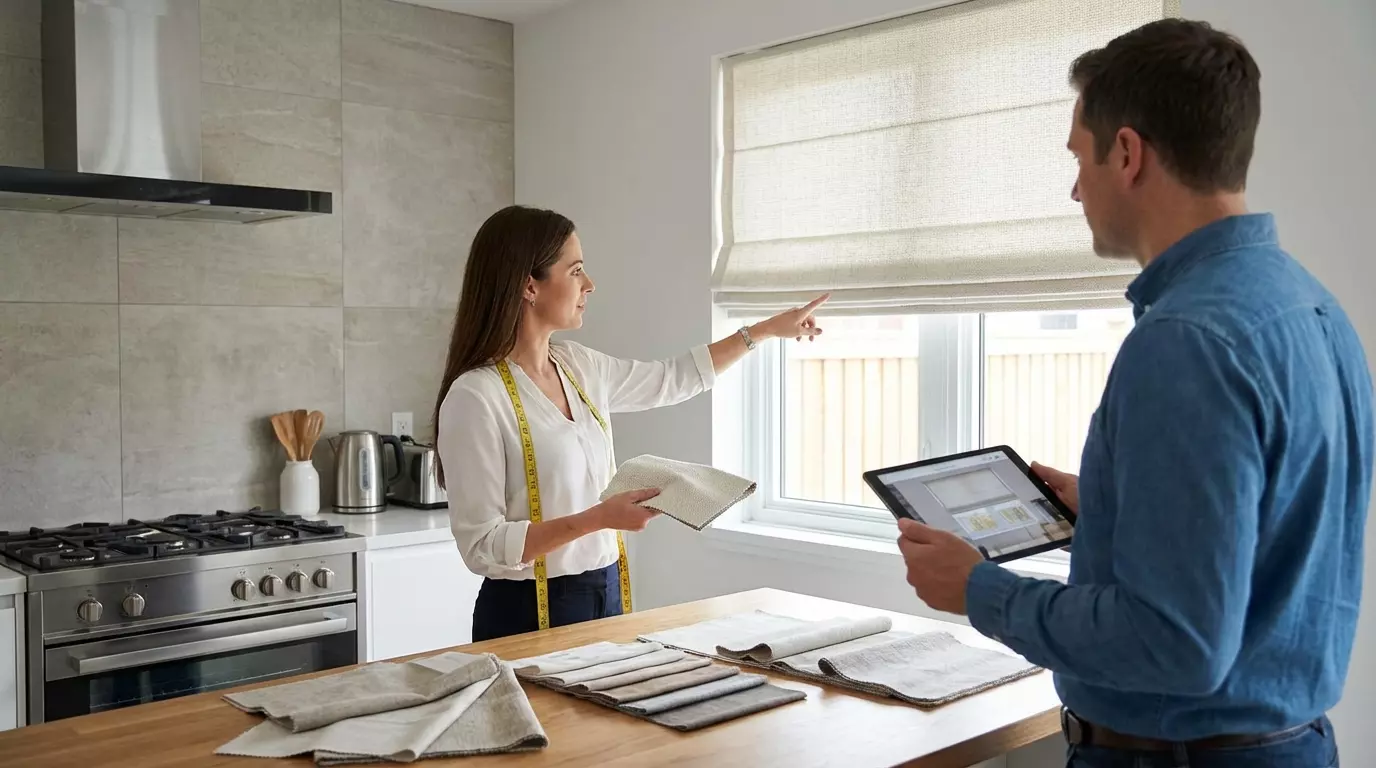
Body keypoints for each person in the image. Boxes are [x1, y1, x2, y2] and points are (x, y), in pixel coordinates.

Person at [897, 18, 1370, 768]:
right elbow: (1273, 529)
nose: (1074, 188)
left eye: (1078, 157)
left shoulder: (1186, 339)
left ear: (1126, 153)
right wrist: (1115, 511)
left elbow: (1176, 643)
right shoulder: (1310, 306)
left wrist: (979, 590)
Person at [433, 205, 827, 641]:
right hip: (526, 609)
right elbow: (483, 547)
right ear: (530, 285)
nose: (590, 284)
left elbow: (671, 379)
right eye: (576, 271)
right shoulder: (477, 396)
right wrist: (598, 518)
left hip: (607, 590)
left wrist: (764, 330)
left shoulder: (579, 367)